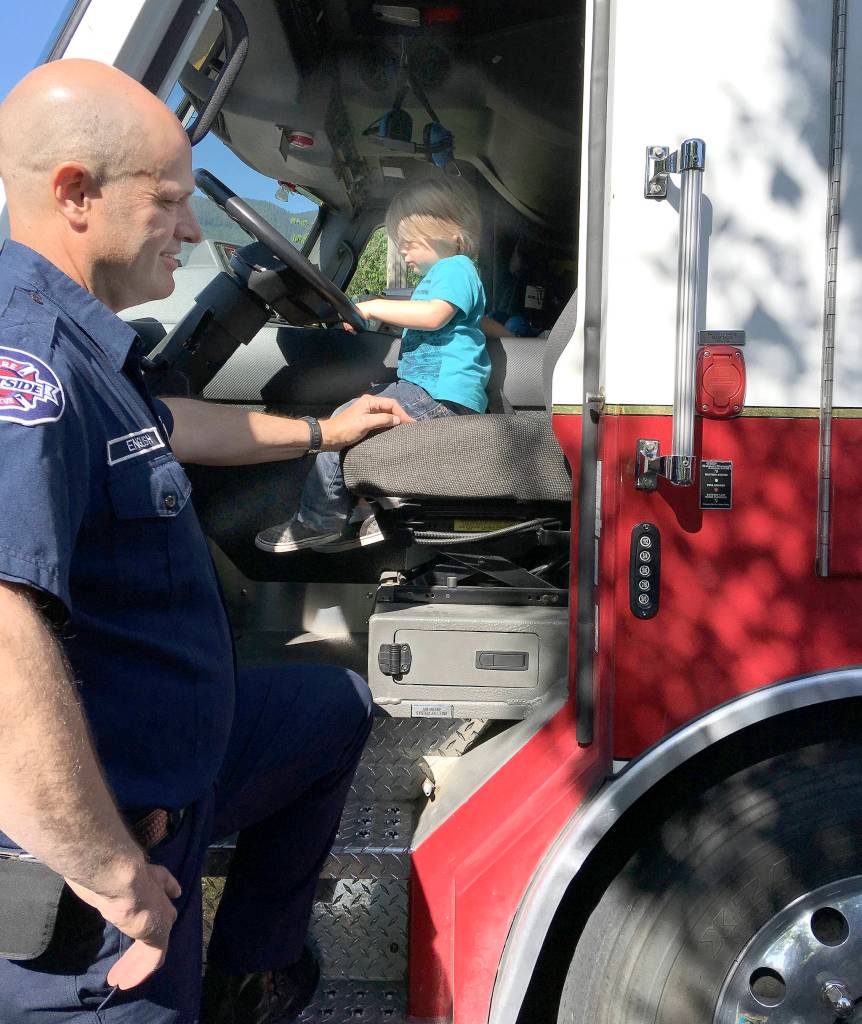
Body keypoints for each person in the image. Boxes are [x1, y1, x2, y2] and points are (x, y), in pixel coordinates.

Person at [0, 59, 413, 1024]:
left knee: (331, 701)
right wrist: (110, 873)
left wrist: (322, 432)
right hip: (110, 846)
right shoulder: (28, 369)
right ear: (75, 195)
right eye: (171, 201)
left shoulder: (87, 353)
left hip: (182, 769)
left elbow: (176, 426)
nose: (191, 230)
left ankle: (252, 972)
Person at [255, 176, 490, 554]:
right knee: (370, 413)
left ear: (447, 232)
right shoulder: (445, 275)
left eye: (410, 243)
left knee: (345, 418)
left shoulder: (456, 267)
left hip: (437, 393)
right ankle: (374, 509)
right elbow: (469, 320)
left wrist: (373, 306)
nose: (405, 254)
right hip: (435, 392)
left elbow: (433, 316)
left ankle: (319, 520)